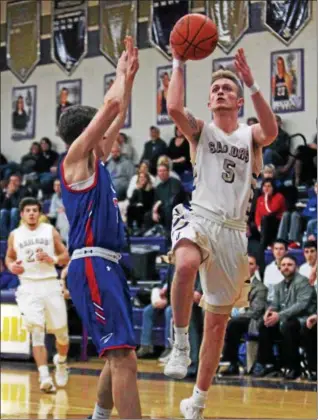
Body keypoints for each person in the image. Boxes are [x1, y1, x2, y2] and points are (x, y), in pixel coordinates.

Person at [164, 47, 278, 419]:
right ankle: (179, 342)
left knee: (216, 327)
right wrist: (179, 61)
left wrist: (253, 83)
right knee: (184, 263)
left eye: (228, 89)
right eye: (215, 90)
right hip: (200, 216)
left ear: (239, 100)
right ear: (210, 101)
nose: (220, 92)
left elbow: (273, 130)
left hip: (233, 233)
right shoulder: (201, 130)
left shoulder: (251, 134)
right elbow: (175, 110)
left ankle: (196, 402)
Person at [58, 37, 141, 419]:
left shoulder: (97, 162)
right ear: (86, 132)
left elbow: (116, 113)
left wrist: (131, 78)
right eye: (98, 130)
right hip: (91, 263)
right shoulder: (75, 159)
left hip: (107, 263)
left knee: (117, 353)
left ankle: (99, 417)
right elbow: (111, 107)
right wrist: (121, 72)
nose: (106, 135)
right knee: (123, 356)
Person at [5, 197, 70, 392]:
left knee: (62, 335)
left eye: (35, 210)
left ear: (40, 213)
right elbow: (9, 256)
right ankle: (44, 377)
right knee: (37, 332)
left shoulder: (50, 231)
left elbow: (66, 255)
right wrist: (11, 266)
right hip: (28, 286)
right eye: (28, 210)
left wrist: (53, 258)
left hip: (50, 284)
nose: (32, 213)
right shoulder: (15, 235)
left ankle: (61, 360)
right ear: (22, 214)